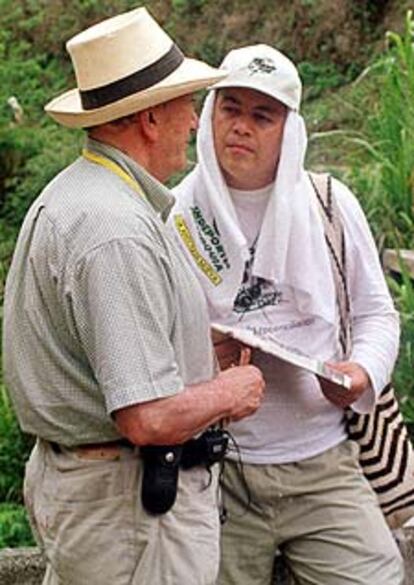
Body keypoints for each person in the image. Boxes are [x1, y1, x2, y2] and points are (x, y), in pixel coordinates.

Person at [2, 10, 266, 585]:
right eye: (185, 105)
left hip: (104, 503)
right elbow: (146, 418)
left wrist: (196, 348)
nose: (194, 121)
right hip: (131, 514)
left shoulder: (78, 195)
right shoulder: (114, 229)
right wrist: (227, 391)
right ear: (150, 118)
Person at [170, 44, 404, 584]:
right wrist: (203, 354)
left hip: (326, 464)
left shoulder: (329, 204)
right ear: (209, 114)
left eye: (262, 115)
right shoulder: (176, 214)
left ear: (288, 129)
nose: (242, 128)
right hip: (218, 472)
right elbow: (150, 344)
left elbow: (377, 315)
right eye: (230, 108)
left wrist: (360, 372)